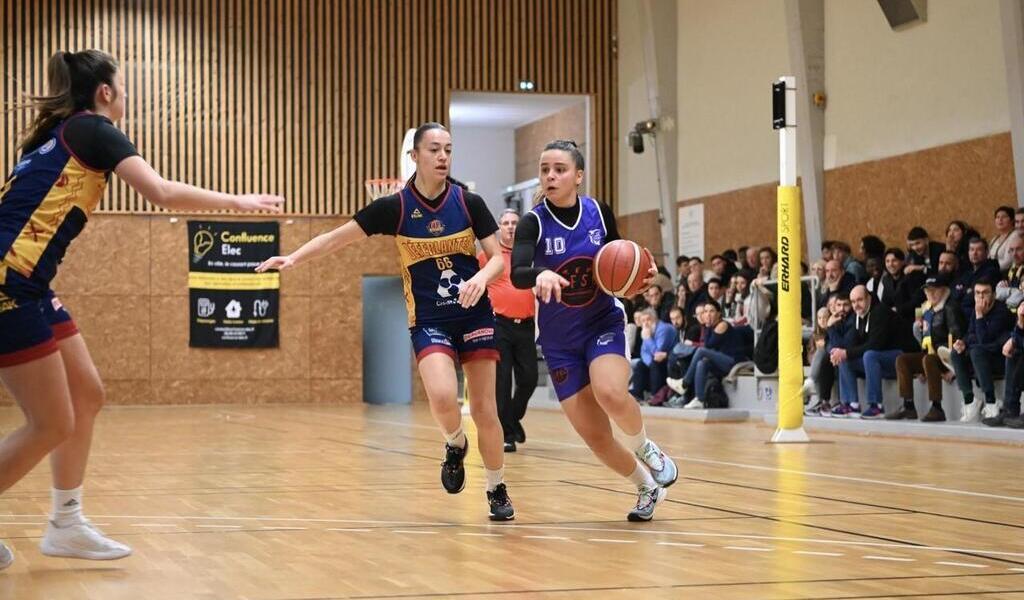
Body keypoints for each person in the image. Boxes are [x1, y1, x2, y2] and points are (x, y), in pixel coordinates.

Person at [0, 49, 284, 570]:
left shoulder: (56, 136)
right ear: (105, 92)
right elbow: (159, 190)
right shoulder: (94, 128)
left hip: (30, 283)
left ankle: (66, 523)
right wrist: (238, 201)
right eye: (124, 87)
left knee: (86, 394)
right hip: (7, 283)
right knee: (51, 422)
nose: (126, 97)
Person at [257, 122, 514, 521]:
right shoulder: (395, 207)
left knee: (485, 409)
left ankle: (496, 487)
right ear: (415, 156)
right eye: (434, 149)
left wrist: (481, 277)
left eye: (448, 149)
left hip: (474, 313)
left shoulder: (469, 203)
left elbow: (497, 257)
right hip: (429, 318)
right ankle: (454, 443)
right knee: (444, 397)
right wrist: (293, 257)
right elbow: (336, 238)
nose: (443, 156)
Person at [510, 139, 678, 522]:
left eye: (560, 169)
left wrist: (642, 274)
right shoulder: (532, 222)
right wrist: (541, 272)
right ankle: (645, 487)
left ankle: (646, 447)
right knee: (596, 436)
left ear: (578, 176)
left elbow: (620, 258)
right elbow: (519, 273)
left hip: (601, 322)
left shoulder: (598, 212)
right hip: (558, 343)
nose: (551, 176)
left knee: (610, 391)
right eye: (545, 169)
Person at [478, 209, 538, 452]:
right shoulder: (488, 256)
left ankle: (512, 419)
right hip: (499, 325)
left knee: (529, 379)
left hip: (525, 325)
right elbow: (478, 283)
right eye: (506, 223)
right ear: (499, 228)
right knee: (502, 383)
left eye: (515, 223)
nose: (511, 227)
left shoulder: (529, 254)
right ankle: (507, 434)